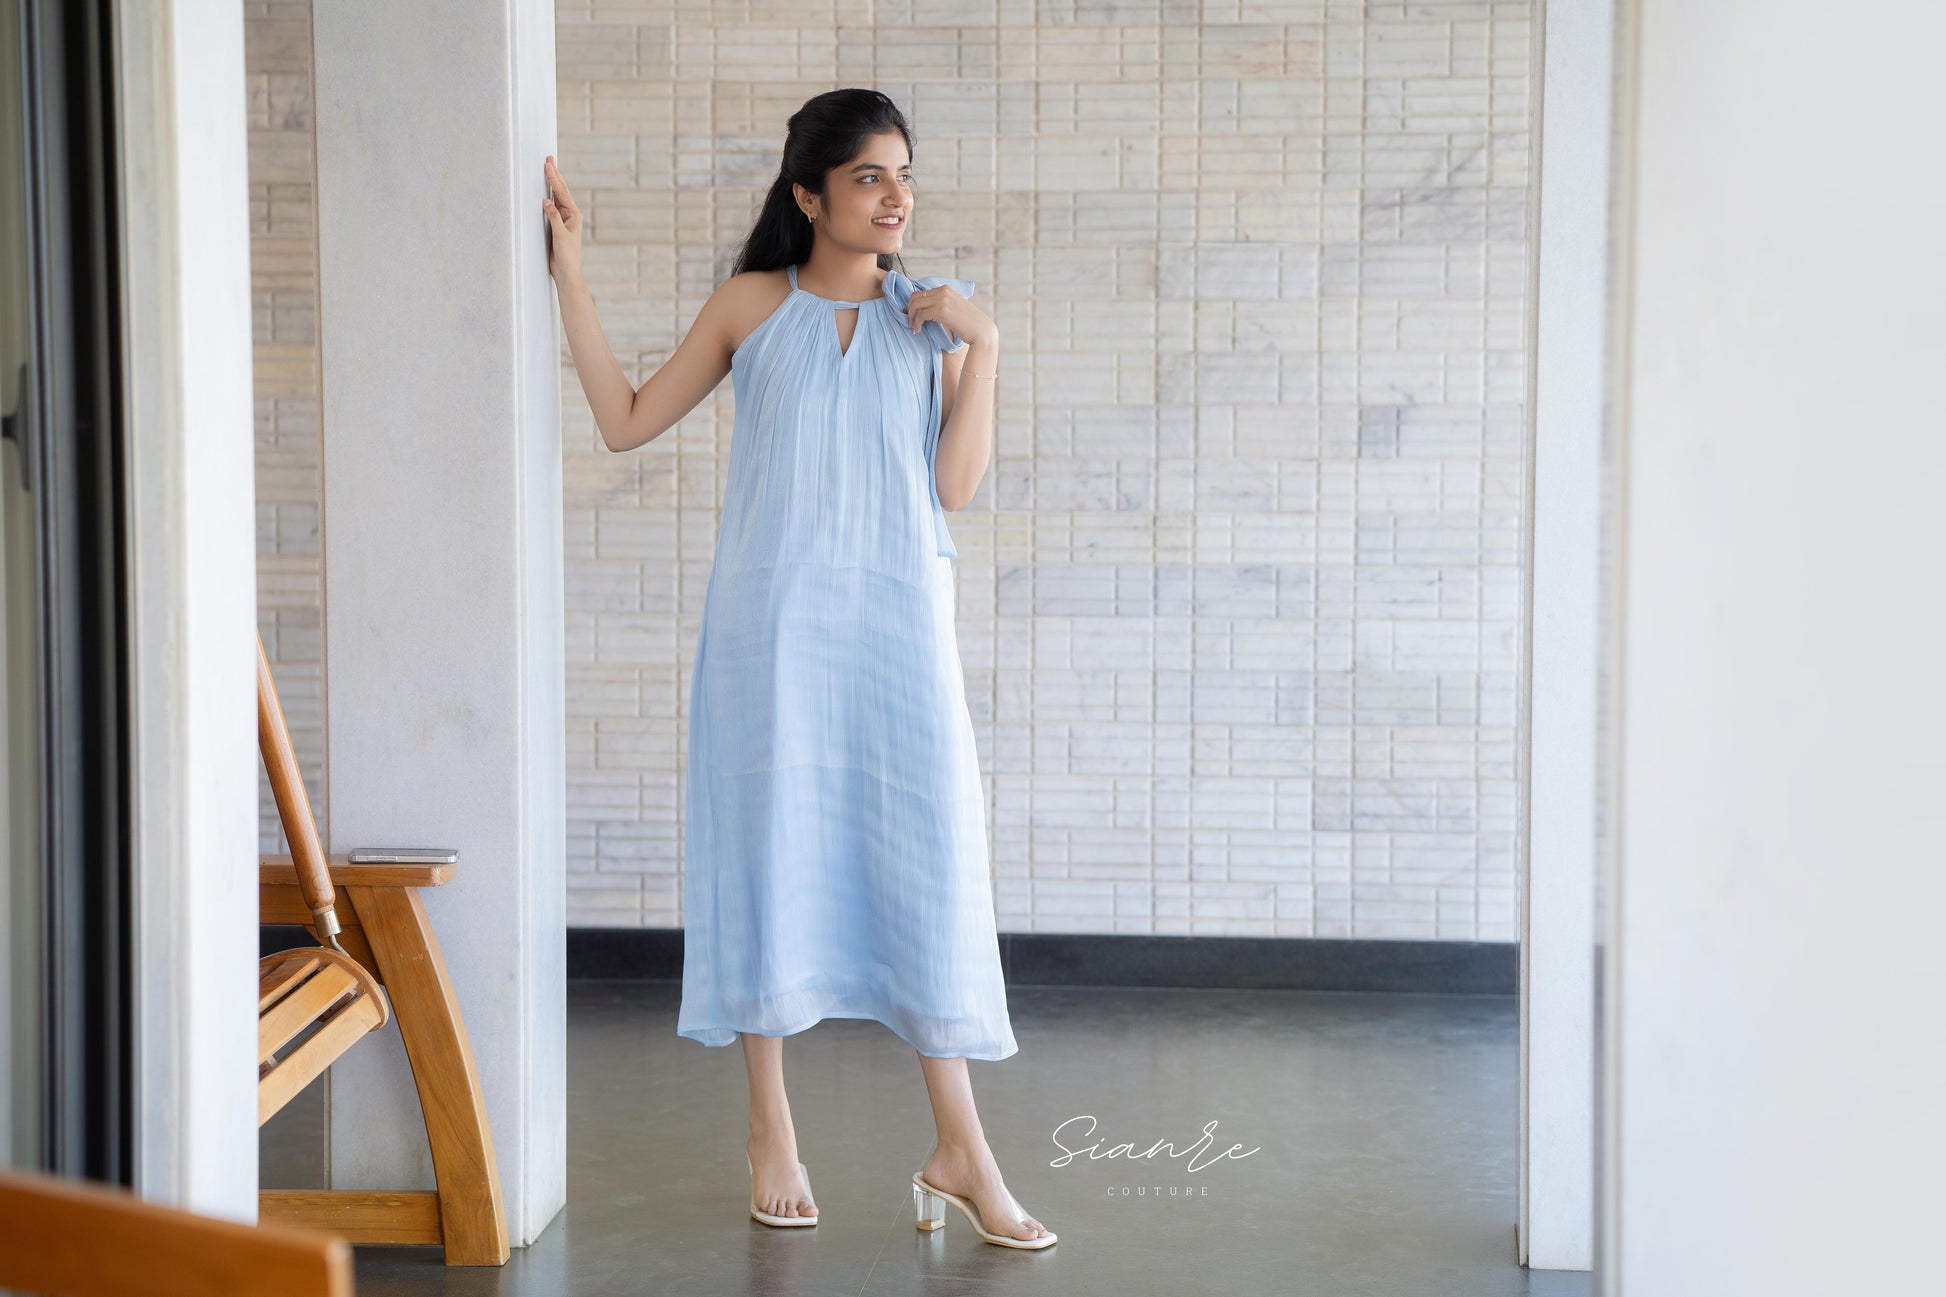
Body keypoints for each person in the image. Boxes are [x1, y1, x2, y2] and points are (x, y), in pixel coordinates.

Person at [542, 89, 1053, 1249]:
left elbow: (953, 489)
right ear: (808, 195)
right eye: (869, 175)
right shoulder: (750, 306)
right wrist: (570, 271)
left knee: (928, 863)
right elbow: (625, 419)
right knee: (767, 852)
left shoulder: (929, 322)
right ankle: (769, 1129)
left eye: (902, 174)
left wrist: (984, 347)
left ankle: (961, 1147)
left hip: (897, 632)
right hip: (769, 635)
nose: (894, 196)